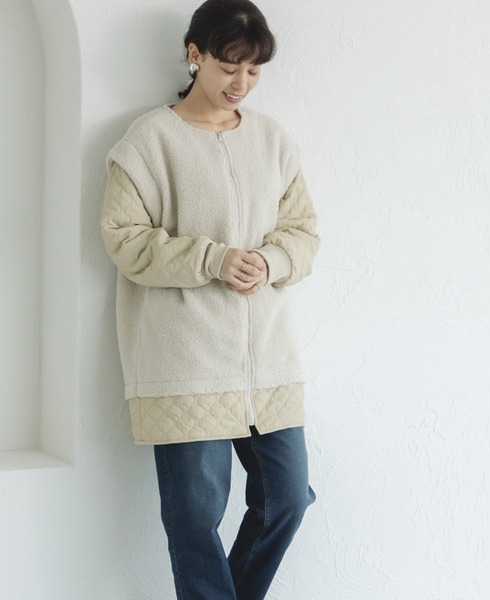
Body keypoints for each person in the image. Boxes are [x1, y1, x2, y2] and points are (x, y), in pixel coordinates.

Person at [101, 0, 320, 598]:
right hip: (184, 359)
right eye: (229, 66)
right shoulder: (149, 141)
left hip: (267, 361)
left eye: (254, 70)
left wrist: (271, 261)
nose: (241, 83)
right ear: (194, 54)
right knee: (195, 521)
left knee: (288, 498)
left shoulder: (273, 141)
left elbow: (303, 233)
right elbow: (124, 239)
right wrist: (212, 259)